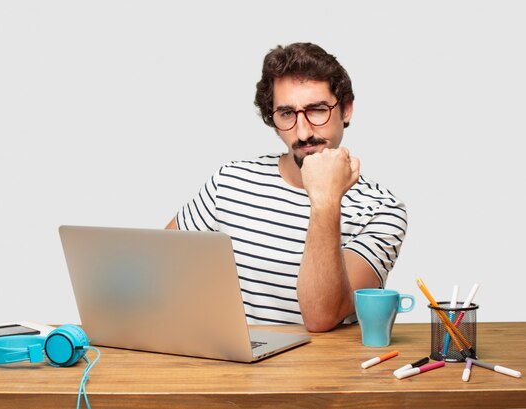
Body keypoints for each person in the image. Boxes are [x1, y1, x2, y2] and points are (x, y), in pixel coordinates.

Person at [166, 42, 407, 332]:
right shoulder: (229, 181)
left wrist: (325, 199)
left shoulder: (381, 210)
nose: (303, 132)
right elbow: (158, 268)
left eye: (318, 110)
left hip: (327, 373)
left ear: (346, 109)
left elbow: (321, 316)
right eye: (287, 114)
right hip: (233, 368)